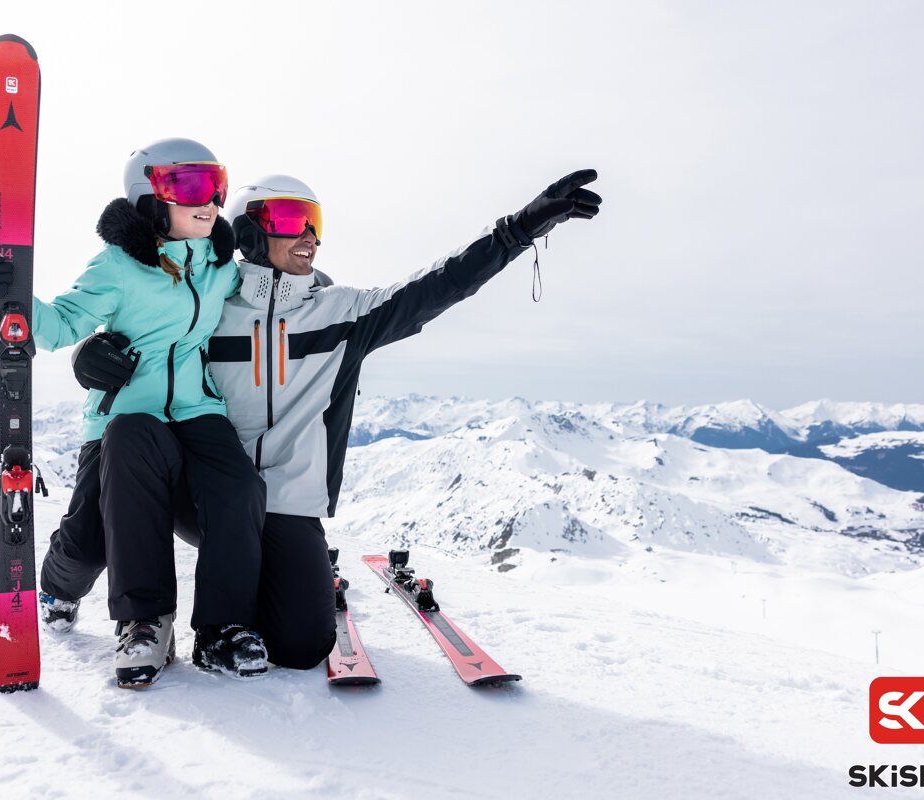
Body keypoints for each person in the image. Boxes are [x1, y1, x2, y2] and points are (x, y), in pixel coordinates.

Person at [69, 169, 603, 671]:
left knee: (301, 645)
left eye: (314, 223)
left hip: (286, 502)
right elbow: (143, 330)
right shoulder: (209, 304)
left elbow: (438, 285)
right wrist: (89, 355)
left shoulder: (342, 314)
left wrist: (516, 230)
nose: (308, 235)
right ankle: (121, 611)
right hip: (205, 495)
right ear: (248, 233)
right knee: (100, 512)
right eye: (288, 219)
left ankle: (276, 584)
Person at [0, 138, 270, 687]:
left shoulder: (219, 266)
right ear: (149, 196)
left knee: (240, 488)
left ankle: (222, 629)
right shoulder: (118, 266)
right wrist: (7, 297)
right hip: (123, 420)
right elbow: (61, 323)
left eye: (215, 184)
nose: (209, 200)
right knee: (90, 543)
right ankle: (113, 609)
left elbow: (272, 292)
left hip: (196, 412)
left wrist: (315, 286)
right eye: (190, 186)